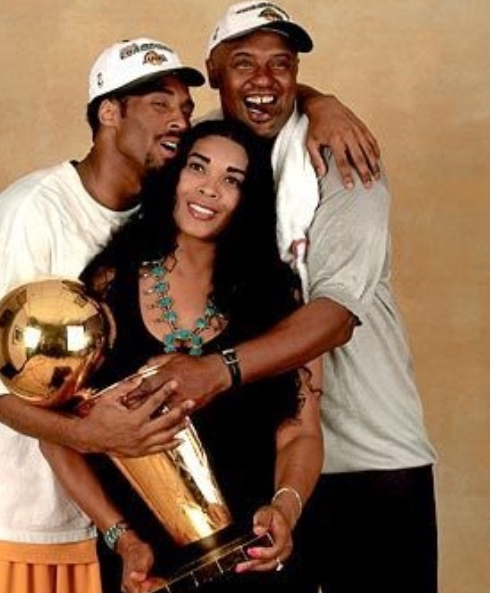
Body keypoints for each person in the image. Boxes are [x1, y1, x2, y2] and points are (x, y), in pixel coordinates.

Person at [132, 3, 438, 592]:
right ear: (213, 72)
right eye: (243, 63)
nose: (265, 80)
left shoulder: (342, 161)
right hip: (262, 470)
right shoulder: (207, 175)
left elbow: (335, 317)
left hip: (364, 455)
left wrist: (215, 372)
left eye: (283, 64)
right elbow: (123, 242)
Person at [0, 38, 209, 593]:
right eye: (160, 103)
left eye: (185, 107)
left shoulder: (168, 217)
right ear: (109, 112)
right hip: (5, 512)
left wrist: (319, 101)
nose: (180, 120)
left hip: (102, 528)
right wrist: (94, 434)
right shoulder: (32, 209)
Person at [39, 118, 324, 593]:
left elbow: (301, 431)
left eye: (232, 180)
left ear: (248, 201)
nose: (209, 189)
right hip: (146, 571)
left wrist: (286, 510)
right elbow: (56, 433)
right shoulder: (109, 286)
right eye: (198, 168)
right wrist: (121, 538)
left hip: (257, 557)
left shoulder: (278, 300)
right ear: (173, 176)